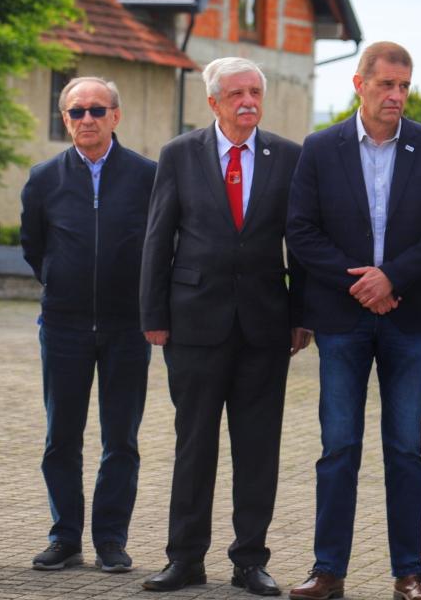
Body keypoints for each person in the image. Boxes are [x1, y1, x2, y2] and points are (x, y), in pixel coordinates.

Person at [285, 41, 421, 600]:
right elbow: (301, 230)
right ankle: (328, 571)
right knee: (339, 446)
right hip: (342, 320)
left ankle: (410, 573)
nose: (397, 95)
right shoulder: (321, 148)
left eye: (404, 86)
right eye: (387, 84)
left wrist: (393, 279)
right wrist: (361, 284)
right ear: (359, 85)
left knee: (406, 448)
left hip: (408, 319)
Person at [139, 57, 309, 593]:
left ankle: (249, 560)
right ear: (213, 102)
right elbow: (158, 236)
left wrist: (302, 315)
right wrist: (153, 315)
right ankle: (185, 558)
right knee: (194, 445)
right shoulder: (179, 154)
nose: (248, 102)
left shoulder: (288, 156)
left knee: (257, 448)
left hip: (265, 325)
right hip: (194, 322)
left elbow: (301, 242)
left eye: (255, 92)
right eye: (236, 94)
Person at [20, 76, 156, 573]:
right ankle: (64, 537)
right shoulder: (43, 178)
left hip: (128, 327)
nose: (87, 119)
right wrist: (62, 281)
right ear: (65, 119)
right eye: (76, 112)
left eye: (97, 110)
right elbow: (35, 247)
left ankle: (111, 540)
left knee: (120, 440)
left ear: (116, 116)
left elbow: (162, 244)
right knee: (61, 438)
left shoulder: (148, 176)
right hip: (64, 327)